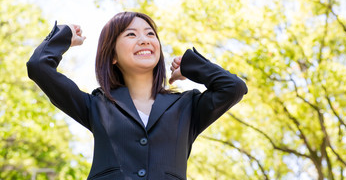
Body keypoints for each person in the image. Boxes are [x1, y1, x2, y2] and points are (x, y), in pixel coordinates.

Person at [27, 11, 248, 180]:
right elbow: (38, 67)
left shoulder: (187, 106)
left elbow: (233, 88)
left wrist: (192, 66)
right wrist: (63, 36)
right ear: (112, 56)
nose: (144, 40)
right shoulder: (95, 105)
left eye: (150, 34)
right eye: (131, 34)